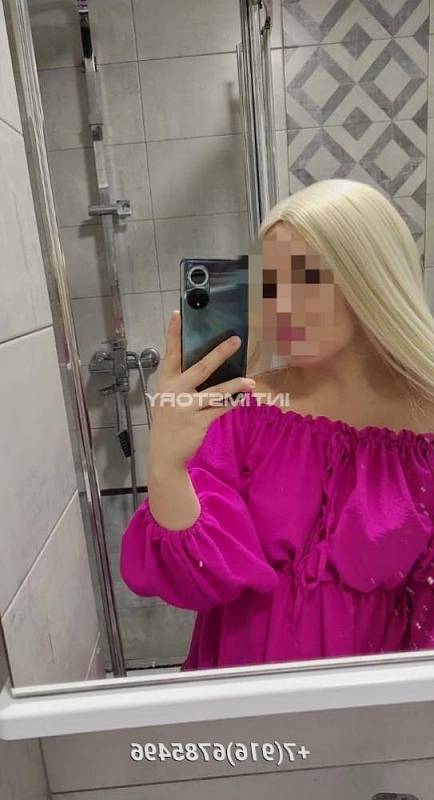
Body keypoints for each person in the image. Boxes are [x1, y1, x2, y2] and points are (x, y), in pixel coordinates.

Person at [119, 179, 434, 671]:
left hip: (371, 704)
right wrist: (164, 466)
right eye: (269, 283)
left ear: (372, 279)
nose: (279, 305)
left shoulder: (425, 437)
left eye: (305, 279)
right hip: (241, 691)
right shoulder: (243, 410)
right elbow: (194, 581)